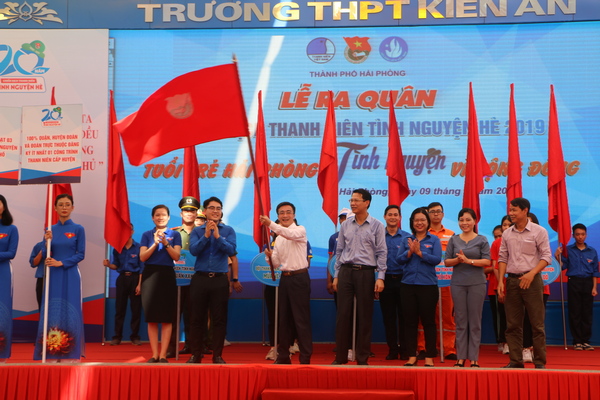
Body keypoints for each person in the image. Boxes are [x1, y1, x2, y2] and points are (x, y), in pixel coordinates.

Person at [332, 188, 387, 366]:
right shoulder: (345, 225)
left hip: (366, 272)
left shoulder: (377, 225)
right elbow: (339, 251)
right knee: (342, 315)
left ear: (366, 203)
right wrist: (336, 275)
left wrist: (380, 277)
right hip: (346, 271)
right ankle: (341, 357)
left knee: (365, 315)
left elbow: (382, 252)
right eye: (351, 200)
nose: (353, 203)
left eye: (356, 200)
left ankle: (362, 358)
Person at [497, 197, 552, 369]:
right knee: (512, 324)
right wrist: (500, 281)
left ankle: (539, 361)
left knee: (537, 324)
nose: (511, 213)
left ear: (525, 210)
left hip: (532, 281)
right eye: (510, 210)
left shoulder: (539, 231)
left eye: (514, 210)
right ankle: (515, 360)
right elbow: (502, 258)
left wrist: (531, 274)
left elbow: (546, 257)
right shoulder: (507, 233)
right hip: (512, 281)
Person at [34, 193, 85, 361]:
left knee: (71, 309)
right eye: (61, 204)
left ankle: (70, 351)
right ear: (55, 208)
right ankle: (51, 351)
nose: (64, 207)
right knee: (52, 309)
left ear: (72, 208)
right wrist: (45, 241)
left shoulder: (78, 229)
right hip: (52, 274)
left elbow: (81, 254)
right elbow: (45, 253)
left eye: (67, 204)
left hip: (70, 272)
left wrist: (61, 263)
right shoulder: (50, 230)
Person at [260, 201, 312, 364]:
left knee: (301, 319)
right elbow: (276, 264)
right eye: (281, 213)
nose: (285, 215)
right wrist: (269, 256)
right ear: (278, 216)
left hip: (299, 278)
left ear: (294, 215)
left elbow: (289, 234)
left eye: (288, 212)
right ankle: (283, 356)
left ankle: (305, 358)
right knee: (283, 319)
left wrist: (270, 224)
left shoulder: (300, 230)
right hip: (285, 279)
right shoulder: (279, 238)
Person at [187, 196, 236, 364]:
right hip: (200, 279)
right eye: (212, 208)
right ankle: (195, 355)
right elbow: (194, 250)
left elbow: (231, 250)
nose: (215, 211)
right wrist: (206, 235)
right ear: (205, 211)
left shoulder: (228, 230)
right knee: (196, 318)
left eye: (218, 208)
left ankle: (218, 355)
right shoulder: (197, 231)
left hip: (219, 280)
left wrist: (217, 236)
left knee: (219, 319)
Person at [444, 208, 491, 367]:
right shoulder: (454, 239)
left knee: (475, 321)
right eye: (461, 220)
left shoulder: (482, 239)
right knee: (461, 320)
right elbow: (447, 262)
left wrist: (468, 261)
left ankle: (474, 358)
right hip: (458, 283)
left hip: (476, 283)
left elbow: (487, 261)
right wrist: (458, 260)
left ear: (474, 221)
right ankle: (461, 357)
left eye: (468, 220)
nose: (464, 223)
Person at [397, 207, 442, 367]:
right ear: (412, 222)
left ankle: (429, 356)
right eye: (416, 220)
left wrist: (420, 253)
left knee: (428, 322)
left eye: (422, 220)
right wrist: (410, 252)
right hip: (408, 285)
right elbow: (399, 260)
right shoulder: (406, 240)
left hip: (427, 286)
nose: (419, 223)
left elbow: (436, 259)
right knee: (410, 322)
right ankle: (411, 355)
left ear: (427, 222)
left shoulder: (434, 240)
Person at [139, 204, 182, 363]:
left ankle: (163, 355)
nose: (160, 217)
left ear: (169, 217)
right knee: (151, 317)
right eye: (157, 215)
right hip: (150, 275)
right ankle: (154, 354)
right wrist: (155, 243)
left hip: (167, 275)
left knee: (166, 317)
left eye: (163, 215)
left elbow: (176, 256)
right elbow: (143, 257)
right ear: (152, 218)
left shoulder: (175, 234)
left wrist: (166, 243)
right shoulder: (146, 235)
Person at [419, 202, 457, 360]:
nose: (435, 214)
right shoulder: (422, 233)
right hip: (426, 280)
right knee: (424, 316)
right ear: (428, 214)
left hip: (446, 281)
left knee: (447, 316)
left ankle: (448, 349)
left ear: (443, 214)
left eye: (438, 211)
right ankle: (423, 348)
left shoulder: (451, 234)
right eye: (432, 211)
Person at [555, 223, 599, 351]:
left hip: (588, 283)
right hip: (574, 282)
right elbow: (562, 266)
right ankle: (577, 341)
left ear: (586, 235)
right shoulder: (568, 250)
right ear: (573, 235)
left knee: (587, 312)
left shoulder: (592, 251)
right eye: (578, 234)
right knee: (575, 312)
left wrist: (594, 288)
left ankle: (586, 341)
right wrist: (557, 256)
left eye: (583, 234)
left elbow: (595, 271)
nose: (580, 237)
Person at [167, 196, 200, 357]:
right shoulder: (173, 233)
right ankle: (171, 347)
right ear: (181, 214)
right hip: (176, 279)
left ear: (196, 214)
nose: (189, 213)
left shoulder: (202, 232)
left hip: (196, 280)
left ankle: (192, 347)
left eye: (192, 211)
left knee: (193, 316)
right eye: (186, 211)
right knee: (173, 315)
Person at [103, 224, 144, 346]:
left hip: (135, 278)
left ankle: (135, 336)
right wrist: (108, 265)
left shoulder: (139, 247)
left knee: (136, 309)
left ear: (132, 231)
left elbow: (142, 268)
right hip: (122, 279)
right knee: (119, 309)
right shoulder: (118, 248)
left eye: (128, 230)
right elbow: (116, 265)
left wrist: (140, 284)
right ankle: (117, 337)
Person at [379, 204, 410, 361]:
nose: (393, 217)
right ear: (385, 217)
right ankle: (392, 349)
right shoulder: (378, 236)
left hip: (404, 280)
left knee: (405, 317)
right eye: (390, 214)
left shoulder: (407, 237)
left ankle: (404, 350)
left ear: (400, 218)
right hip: (385, 281)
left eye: (395, 215)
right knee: (388, 318)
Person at [488, 216, 512, 354]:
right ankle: (504, 341)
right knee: (502, 315)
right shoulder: (497, 243)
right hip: (500, 284)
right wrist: (501, 283)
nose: (506, 227)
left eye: (509, 224)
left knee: (515, 316)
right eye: (504, 225)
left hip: (516, 284)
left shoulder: (520, 240)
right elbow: (495, 265)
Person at [0, 195, 18, 361]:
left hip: (3, 272)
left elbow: (11, 253)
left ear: (4, 207)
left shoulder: (11, 229)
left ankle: (2, 353)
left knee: (2, 311)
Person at [29, 239, 46, 311]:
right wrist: (42, 251)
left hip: (57, 278)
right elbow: (33, 263)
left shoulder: (61, 246)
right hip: (42, 278)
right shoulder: (39, 245)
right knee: (42, 306)